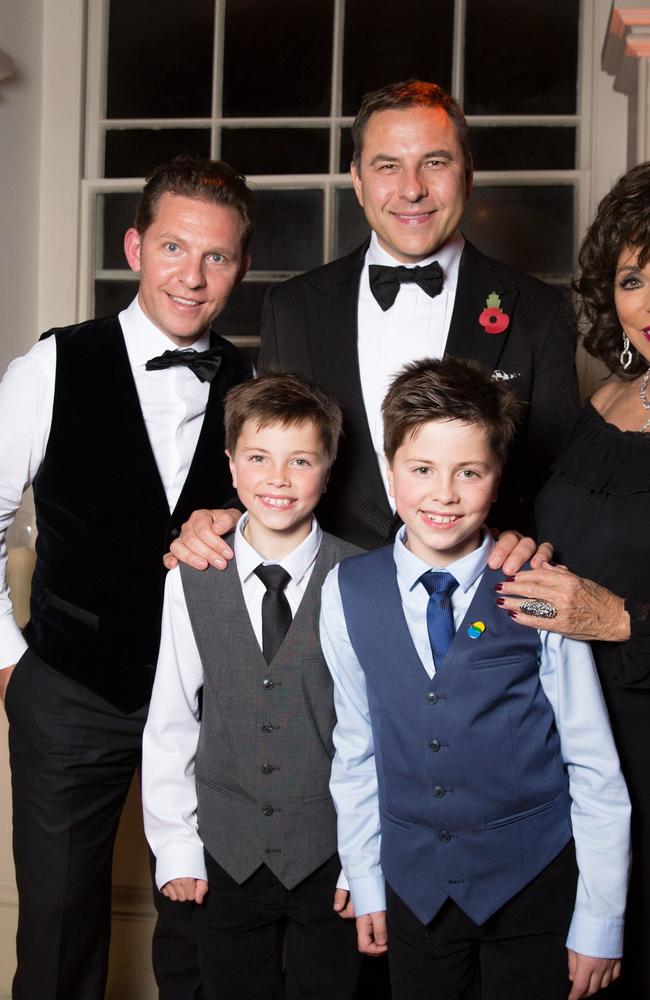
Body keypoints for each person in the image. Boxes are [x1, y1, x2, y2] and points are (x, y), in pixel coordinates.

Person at [0, 156, 254, 1000]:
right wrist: (10, 659)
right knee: (60, 933)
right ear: (135, 245)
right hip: (73, 688)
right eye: (175, 247)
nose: (193, 275)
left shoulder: (256, 388)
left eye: (216, 256)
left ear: (241, 267)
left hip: (217, 698)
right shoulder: (52, 367)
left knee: (210, 924)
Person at [320, 356, 631, 1000]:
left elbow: (593, 762)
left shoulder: (537, 587)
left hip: (534, 884)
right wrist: (367, 874)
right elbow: (355, 751)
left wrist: (601, 920)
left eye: (469, 472)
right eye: (422, 470)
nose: (444, 494)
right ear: (389, 472)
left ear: (497, 477)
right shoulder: (345, 590)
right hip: (415, 893)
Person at [168, 78, 576, 569]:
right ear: (358, 181)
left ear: (466, 175)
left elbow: (558, 480)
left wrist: (528, 540)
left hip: (485, 595)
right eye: (388, 166)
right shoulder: (293, 307)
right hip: (326, 600)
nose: (412, 189)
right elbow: (274, 450)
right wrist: (219, 518)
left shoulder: (539, 312)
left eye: (435, 162)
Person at [142, 373, 362, 1000]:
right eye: (259, 459)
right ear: (232, 469)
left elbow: (371, 732)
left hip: (330, 853)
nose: (279, 478)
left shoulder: (359, 580)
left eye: (301, 461)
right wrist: (177, 845)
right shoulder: (191, 578)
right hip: (225, 852)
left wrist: (362, 858)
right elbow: (171, 720)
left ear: (328, 469)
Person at [495, 160, 650, 997]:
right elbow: (564, 530)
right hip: (573, 756)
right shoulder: (607, 405)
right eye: (633, 279)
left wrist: (621, 619)